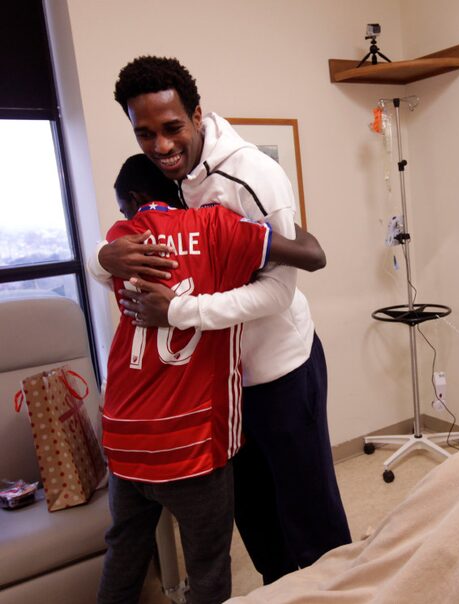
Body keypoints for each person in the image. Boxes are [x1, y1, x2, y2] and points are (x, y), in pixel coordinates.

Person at [90, 56, 351, 585]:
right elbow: (136, 238)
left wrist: (181, 312)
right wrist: (103, 259)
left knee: (309, 514)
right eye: (145, 134)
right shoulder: (169, 179)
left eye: (172, 129)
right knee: (252, 514)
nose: (161, 146)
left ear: (198, 115)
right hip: (220, 385)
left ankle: (342, 592)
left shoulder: (252, 176)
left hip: (279, 372)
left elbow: (280, 290)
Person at [98, 154, 326, 604]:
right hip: (190, 439)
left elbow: (103, 264)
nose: (126, 216)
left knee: (124, 551)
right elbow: (311, 255)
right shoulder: (218, 227)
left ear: (139, 201)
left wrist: (102, 256)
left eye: (125, 207)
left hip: (123, 433)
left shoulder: (123, 240)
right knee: (207, 565)